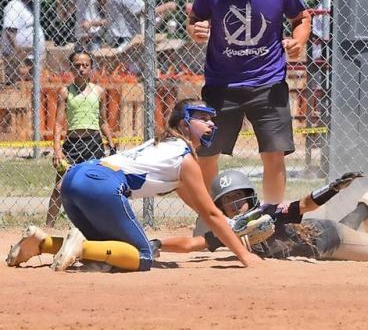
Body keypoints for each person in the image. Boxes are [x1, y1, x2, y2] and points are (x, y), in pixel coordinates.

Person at [6, 98, 264, 272]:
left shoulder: (161, 146)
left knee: (109, 254)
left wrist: (230, 227)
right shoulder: (183, 159)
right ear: (184, 123)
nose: (211, 124)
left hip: (74, 179)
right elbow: (210, 213)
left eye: (211, 119)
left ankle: (42, 243)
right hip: (99, 185)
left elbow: (202, 209)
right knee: (141, 257)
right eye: (203, 118)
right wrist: (245, 255)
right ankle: (80, 244)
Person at [187, 0, 311, 204]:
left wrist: (298, 41)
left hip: (268, 83)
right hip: (221, 83)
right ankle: (214, 216)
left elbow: (301, 17)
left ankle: (273, 214)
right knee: (207, 152)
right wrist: (195, 31)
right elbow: (194, 19)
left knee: (274, 154)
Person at [154, 169, 368, 262]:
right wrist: (155, 244)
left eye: (239, 198)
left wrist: (330, 189)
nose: (236, 206)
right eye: (228, 202)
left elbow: (303, 206)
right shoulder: (231, 230)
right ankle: (365, 207)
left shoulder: (265, 212)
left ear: (250, 197)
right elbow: (193, 243)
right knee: (351, 229)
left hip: (330, 241)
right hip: (323, 238)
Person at [46, 49, 117, 227]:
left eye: (86, 65)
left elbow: (102, 121)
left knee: (96, 187)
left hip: (93, 142)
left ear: (91, 68)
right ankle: (48, 226)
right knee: (59, 187)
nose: (81, 69)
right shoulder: (65, 92)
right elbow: (59, 124)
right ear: (71, 67)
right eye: (77, 65)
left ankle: (100, 225)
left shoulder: (99, 91)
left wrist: (111, 142)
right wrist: (57, 149)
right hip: (73, 143)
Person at [1, 0, 46, 84]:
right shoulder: (15, 5)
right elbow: (10, 30)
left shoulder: (30, 7)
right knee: (16, 79)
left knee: (29, 80)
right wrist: (18, 49)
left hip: (30, 53)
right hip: (18, 52)